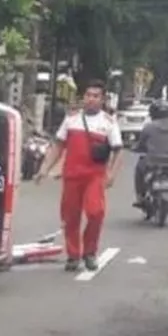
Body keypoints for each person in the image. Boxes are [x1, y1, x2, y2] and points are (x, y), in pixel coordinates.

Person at [34, 80, 124, 272]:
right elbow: (58, 145)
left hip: (95, 176)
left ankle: (90, 252)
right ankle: (73, 255)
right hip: (72, 176)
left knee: (95, 213)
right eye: (88, 95)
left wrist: (112, 175)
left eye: (96, 96)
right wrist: (44, 169)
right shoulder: (71, 119)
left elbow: (118, 151)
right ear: (84, 97)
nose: (91, 99)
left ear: (102, 99)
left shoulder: (108, 122)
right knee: (70, 217)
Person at [132, 100, 168, 209]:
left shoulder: (148, 127)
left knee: (139, 169)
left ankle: (140, 196)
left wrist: (135, 148)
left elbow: (140, 144)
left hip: (151, 162)